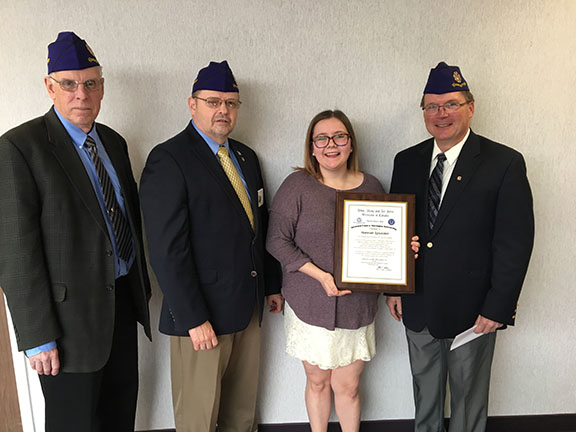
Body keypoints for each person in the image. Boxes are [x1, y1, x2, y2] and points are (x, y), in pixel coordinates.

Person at [0, 32, 151, 432]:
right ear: (50, 87)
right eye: (68, 83)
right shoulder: (20, 147)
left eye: (90, 83)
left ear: (102, 87)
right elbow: (16, 250)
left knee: (119, 416)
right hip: (66, 325)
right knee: (74, 424)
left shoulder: (114, 143)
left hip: (120, 306)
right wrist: (37, 336)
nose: (80, 93)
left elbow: (127, 219)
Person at [386, 62, 534, 432]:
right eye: (432, 106)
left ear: (470, 107)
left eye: (451, 104)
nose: (441, 114)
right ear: (424, 112)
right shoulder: (406, 161)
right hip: (418, 304)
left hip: (474, 312)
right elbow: (395, 230)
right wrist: (393, 287)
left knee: (468, 404)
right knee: (426, 398)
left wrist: (499, 306)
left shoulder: (504, 163)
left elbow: (514, 243)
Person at [139, 60, 282, 432]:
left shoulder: (246, 158)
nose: (223, 110)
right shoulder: (168, 159)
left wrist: (272, 285)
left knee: (241, 416)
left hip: (247, 310)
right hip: (202, 320)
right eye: (213, 101)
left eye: (231, 103)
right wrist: (192, 318)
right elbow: (166, 249)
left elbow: (259, 226)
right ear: (192, 105)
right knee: (198, 420)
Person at [266, 110, 419, 432]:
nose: (330, 145)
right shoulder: (297, 185)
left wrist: (405, 251)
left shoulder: (373, 186)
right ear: (311, 147)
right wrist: (320, 276)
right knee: (318, 381)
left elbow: (388, 244)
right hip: (309, 303)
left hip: (357, 305)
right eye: (321, 138)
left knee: (348, 386)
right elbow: (276, 241)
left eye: (339, 137)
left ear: (351, 145)